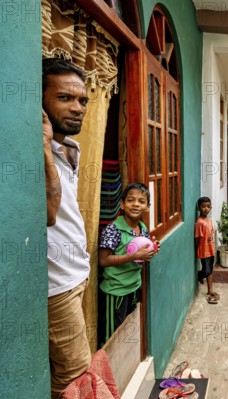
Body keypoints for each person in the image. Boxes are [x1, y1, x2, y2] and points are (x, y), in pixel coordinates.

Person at [43, 57, 92, 398]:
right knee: (75, 378)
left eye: (83, 100)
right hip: (55, 285)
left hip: (77, 273)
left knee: (67, 374)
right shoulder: (37, 152)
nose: (77, 108)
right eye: (65, 98)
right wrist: (42, 144)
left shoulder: (69, 148)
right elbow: (48, 210)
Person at [97, 183, 160, 345]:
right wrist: (134, 256)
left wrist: (151, 250)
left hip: (133, 288)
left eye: (141, 201)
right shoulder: (113, 230)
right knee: (112, 338)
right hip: (115, 291)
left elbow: (142, 256)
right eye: (131, 200)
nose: (136, 204)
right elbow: (103, 260)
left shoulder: (142, 228)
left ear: (147, 207)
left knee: (126, 333)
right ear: (122, 204)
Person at [195, 197, 219, 304]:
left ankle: (210, 290)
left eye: (208, 207)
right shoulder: (199, 223)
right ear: (198, 208)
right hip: (204, 251)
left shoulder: (209, 221)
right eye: (203, 207)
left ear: (211, 207)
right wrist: (196, 250)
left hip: (211, 249)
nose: (206, 209)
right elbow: (197, 238)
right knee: (207, 270)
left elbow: (211, 235)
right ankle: (199, 275)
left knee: (210, 270)